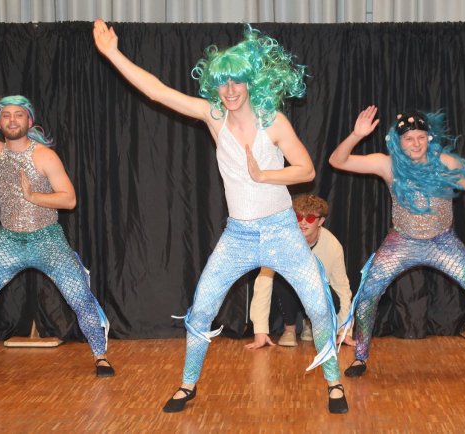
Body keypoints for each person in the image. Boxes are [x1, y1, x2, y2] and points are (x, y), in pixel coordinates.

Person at [93, 21, 347, 413]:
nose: (229, 90)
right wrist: (112, 53)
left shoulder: (273, 122)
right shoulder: (214, 117)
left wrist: (265, 175)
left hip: (281, 231)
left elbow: (306, 170)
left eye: (237, 81)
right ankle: (187, 384)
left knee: (317, 306)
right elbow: (158, 92)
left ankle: (334, 383)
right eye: (223, 82)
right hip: (239, 235)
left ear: (250, 83)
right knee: (201, 308)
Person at [0, 58, 114, 377]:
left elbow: (69, 199)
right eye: (6, 115)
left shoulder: (45, 156)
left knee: (80, 298)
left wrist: (33, 197)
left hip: (48, 240)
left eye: (18, 114)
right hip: (9, 241)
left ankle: (101, 356)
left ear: (29, 121)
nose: (12, 119)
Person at [329, 105, 465, 378]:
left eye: (421, 137)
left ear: (429, 138)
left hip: (443, 243)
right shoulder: (388, 164)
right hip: (401, 242)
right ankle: (360, 358)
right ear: (398, 142)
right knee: (368, 297)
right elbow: (337, 161)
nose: (416, 143)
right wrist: (356, 135)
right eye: (409, 138)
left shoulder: (447, 163)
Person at [244, 194, 354, 349]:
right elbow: (263, 284)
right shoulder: (279, 243)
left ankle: (310, 323)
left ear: (321, 221)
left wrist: (345, 331)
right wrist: (260, 331)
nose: (303, 222)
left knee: (328, 293)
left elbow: (342, 289)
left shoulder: (333, 246)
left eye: (310, 218)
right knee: (279, 279)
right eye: (298, 217)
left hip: (317, 292)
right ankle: (289, 328)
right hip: (291, 292)